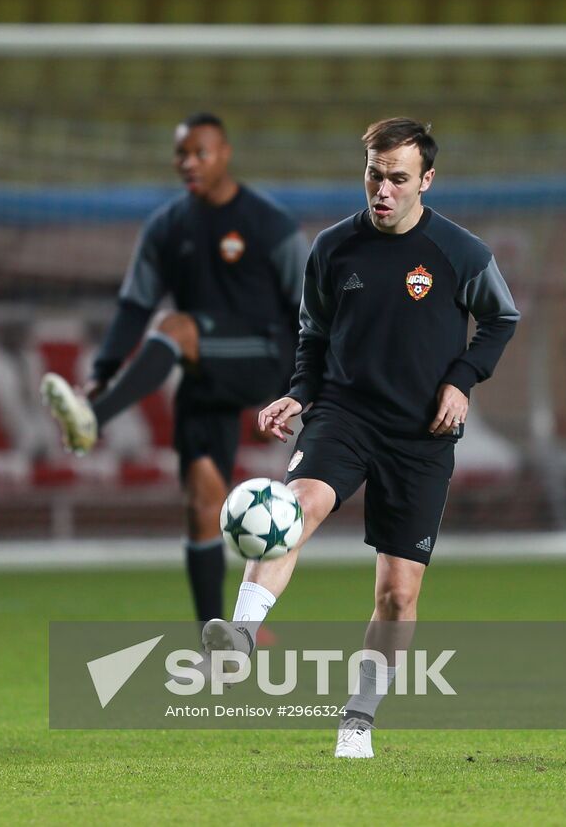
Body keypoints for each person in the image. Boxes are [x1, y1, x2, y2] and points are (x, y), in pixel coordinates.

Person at [203, 117, 520, 758]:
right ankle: (239, 632)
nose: (383, 190)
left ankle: (357, 722)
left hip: (421, 434)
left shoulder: (461, 254)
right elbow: (313, 334)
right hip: (345, 414)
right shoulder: (332, 249)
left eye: (398, 178)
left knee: (397, 596)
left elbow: (501, 318)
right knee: (295, 509)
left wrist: (461, 380)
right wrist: (299, 390)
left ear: (426, 180)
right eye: (374, 175)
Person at [40, 113, 308, 623]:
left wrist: (305, 385)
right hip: (205, 370)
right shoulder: (166, 226)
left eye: (200, 152)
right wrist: (101, 368)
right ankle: (214, 637)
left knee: (175, 325)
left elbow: (310, 306)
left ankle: (94, 416)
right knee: (202, 503)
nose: (188, 162)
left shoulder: (268, 224)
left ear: (225, 154)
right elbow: (133, 304)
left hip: (262, 356)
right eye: (181, 153)